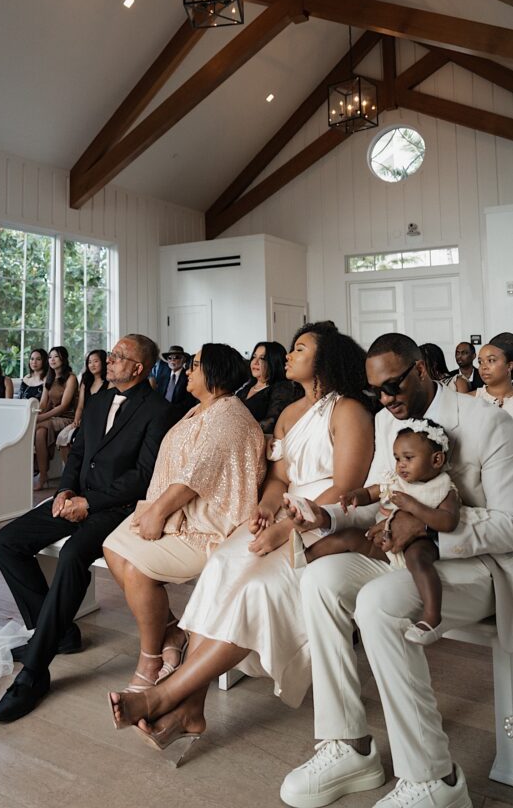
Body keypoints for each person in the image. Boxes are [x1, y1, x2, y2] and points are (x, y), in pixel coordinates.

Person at [108, 322, 374, 760]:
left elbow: (345, 487)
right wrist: (267, 508)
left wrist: (290, 524)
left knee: (254, 590)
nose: (287, 355)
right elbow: (280, 478)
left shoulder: (348, 411)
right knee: (220, 572)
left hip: (326, 521)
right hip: (284, 513)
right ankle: (192, 706)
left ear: (325, 360)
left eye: (299, 348)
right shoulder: (291, 413)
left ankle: (167, 698)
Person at [279, 332, 513, 808]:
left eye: (393, 387)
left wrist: (426, 527)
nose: (385, 401)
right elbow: (376, 501)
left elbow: (511, 526)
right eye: (376, 393)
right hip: (403, 561)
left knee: (379, 603)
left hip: (481, 569)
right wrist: (329, 515)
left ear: (422, 371)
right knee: (322, 581)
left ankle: (435, 779)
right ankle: (348, 745)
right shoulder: (389, 425)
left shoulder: (490, 424)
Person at [0, 334, 173, 723]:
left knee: (73, 555)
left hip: (117, 508)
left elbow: (144, 477)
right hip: (76, 497)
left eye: (120, 357)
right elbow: (78, 454)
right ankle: (54, 632)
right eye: (113, 354)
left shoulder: (157, 409)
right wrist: (65, 492)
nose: (111, 360)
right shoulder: (99, 399)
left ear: (137, 369)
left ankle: (35, 672)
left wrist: (89, 503)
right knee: (5, 542)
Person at [103, 343, 265, 693]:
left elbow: (197, 474)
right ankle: (173, 630)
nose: (188, 371)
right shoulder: (200, 409)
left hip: (209, 524)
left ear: (215, 372)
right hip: (182, 512)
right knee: (112, 548)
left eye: (195, 365)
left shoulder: (229, 414)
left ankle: (150, 658)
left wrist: (159, 512)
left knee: (135, 568)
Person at [291, 419, 459, 644]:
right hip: (382, 541)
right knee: (350, 536)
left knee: (419, 559)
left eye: (408, 458)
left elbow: (448, 522)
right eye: (398, 458)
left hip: (417, 543)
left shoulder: (444, 488)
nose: (401, 465)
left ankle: (431, 616)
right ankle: (306, 555)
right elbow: (373, 492)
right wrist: (356, 496)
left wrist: (413, 507)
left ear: (436, 460)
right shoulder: (396, 481)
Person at [34, 346, 78, 490]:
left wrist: (41, 418)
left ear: (63, 359)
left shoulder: (71, 378)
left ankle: (45, 474)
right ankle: (43, 474)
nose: (52, 360)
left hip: (68, 418)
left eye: (56, 357)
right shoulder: (49, 377)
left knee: (40, 426)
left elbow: (64, 406)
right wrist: (36, 415)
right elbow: (43, 403)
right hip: (52, 418)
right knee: (39, 432)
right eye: (50, 357)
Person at [236, 340, 296, 433]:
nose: (255, 362)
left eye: (262, 358)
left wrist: (242, 433)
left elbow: (272, 421)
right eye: (254, 357)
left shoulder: (281, 389)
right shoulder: (246, 388)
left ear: (274, 362)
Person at [56, 349, 108, 452]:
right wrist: (76, 420)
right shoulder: (86, 381)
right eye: (89, 362)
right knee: (62, 438)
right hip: (84, 420)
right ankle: (69, 468)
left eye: (96, 361)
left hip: (100, 422)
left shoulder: (109, 382)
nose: (92, 365)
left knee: (80, 442)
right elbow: (80, 406)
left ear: (103, 362)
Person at [150, 345, 197, 422]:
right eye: (170, 358)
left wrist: (170, 411)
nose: (172, 360)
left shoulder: (188, 376)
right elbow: (158, 395)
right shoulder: (162, 376)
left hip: (179, 417)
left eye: (176, 357)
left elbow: (189, 402)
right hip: (160, 415)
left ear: (183, 359)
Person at [471, 337, 513, 418]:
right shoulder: (469, 400)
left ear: (509, 366)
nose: (483, 367)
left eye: (491, 360)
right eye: (480, 362)